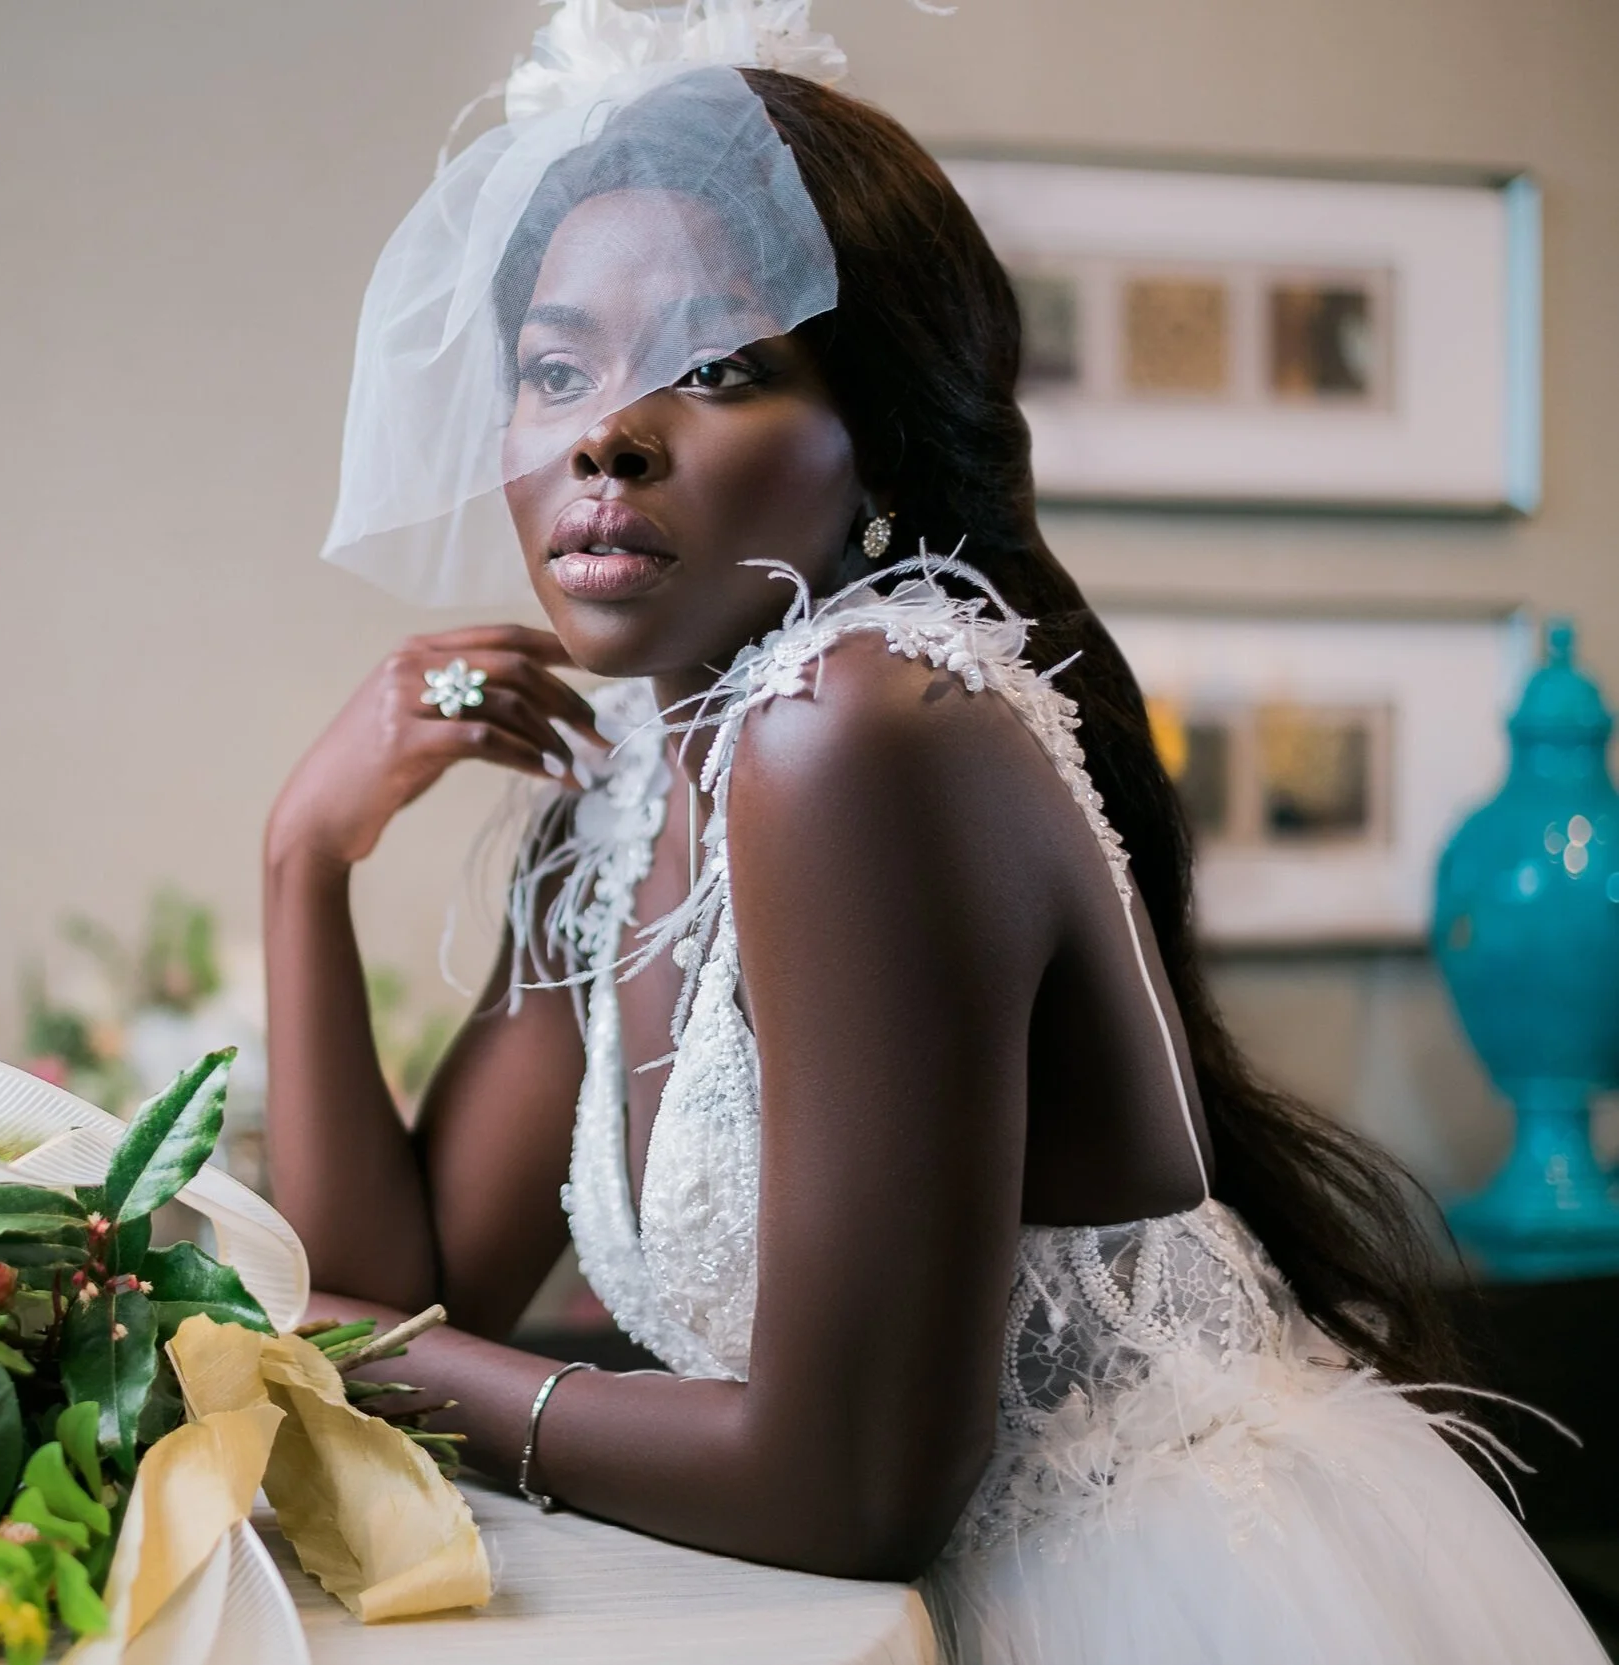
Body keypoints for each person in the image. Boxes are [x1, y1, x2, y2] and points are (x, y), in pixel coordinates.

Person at [261, 5, 1605, 1660]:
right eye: (555, 370)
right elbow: (410, 1282)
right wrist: (304, 858)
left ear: (877, 433)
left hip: (1146, 1604)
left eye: (718, 366)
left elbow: (847, 1488)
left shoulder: (859, 729)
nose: (605, 432)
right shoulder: (621, 798)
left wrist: (344, 1356)